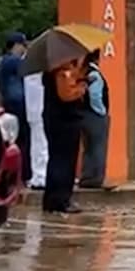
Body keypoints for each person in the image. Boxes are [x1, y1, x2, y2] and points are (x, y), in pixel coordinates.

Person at [42, 57, 88, 214]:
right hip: (65, 121)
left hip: (58, 119)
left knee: (57, 159)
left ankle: (52, 199)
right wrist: (81, 88)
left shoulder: (55, 71)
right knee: (64, 162)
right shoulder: (61, 72)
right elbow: (66, 95)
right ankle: (60, 200)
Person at [0, 32, 32, 183]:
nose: (24, 49)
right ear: (16, 45)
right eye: (23, 45)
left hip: (10, 102)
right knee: (22, 140)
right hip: (18, 104)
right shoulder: (13, 61)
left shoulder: (3, 61)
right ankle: (23, 173)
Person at [79, 50, 110, 189]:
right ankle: (96, 178)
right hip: (94, 116)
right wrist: (102, 112)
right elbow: (95, 95)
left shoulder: (82, 72)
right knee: (98, 147)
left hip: (83, 116)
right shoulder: (94, 74)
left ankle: (86, 176)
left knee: (88, 147)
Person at [24, 72, 48, 189]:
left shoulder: (30, 68)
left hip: (34, 111)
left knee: (38, 144)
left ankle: (40, 175)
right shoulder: (36, 70)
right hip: (40, 111)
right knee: (41, 144)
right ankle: (40, 176)